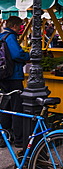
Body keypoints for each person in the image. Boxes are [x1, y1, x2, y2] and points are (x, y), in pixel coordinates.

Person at [0, 16, 30, 148]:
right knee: (17, 108)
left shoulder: (1, 36)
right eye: (19, 26)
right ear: (15, 26)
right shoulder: (10, 37)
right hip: (13, 77)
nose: (20, 29)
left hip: (3, 76)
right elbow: (16, 54)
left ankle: (5, 136)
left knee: (5, 107)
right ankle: (19, 139)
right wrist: (28, 56)